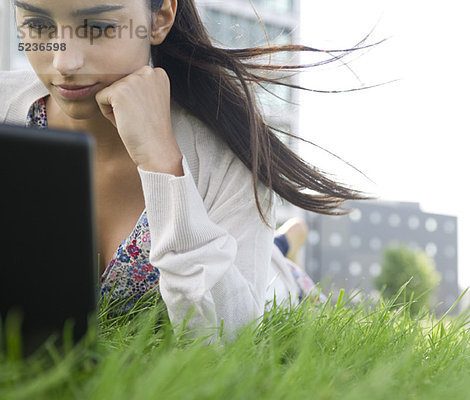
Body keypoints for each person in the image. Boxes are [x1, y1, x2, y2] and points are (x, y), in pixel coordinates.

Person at [1, 0, 373, 342]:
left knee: (277, 281)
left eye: (98, 27)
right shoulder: (7, 109)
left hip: (270, 282)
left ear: (160, 18)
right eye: (37, 24)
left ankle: (285, 247)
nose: (64, 62)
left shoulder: (231, 150)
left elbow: (232, 342)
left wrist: (163, 163)